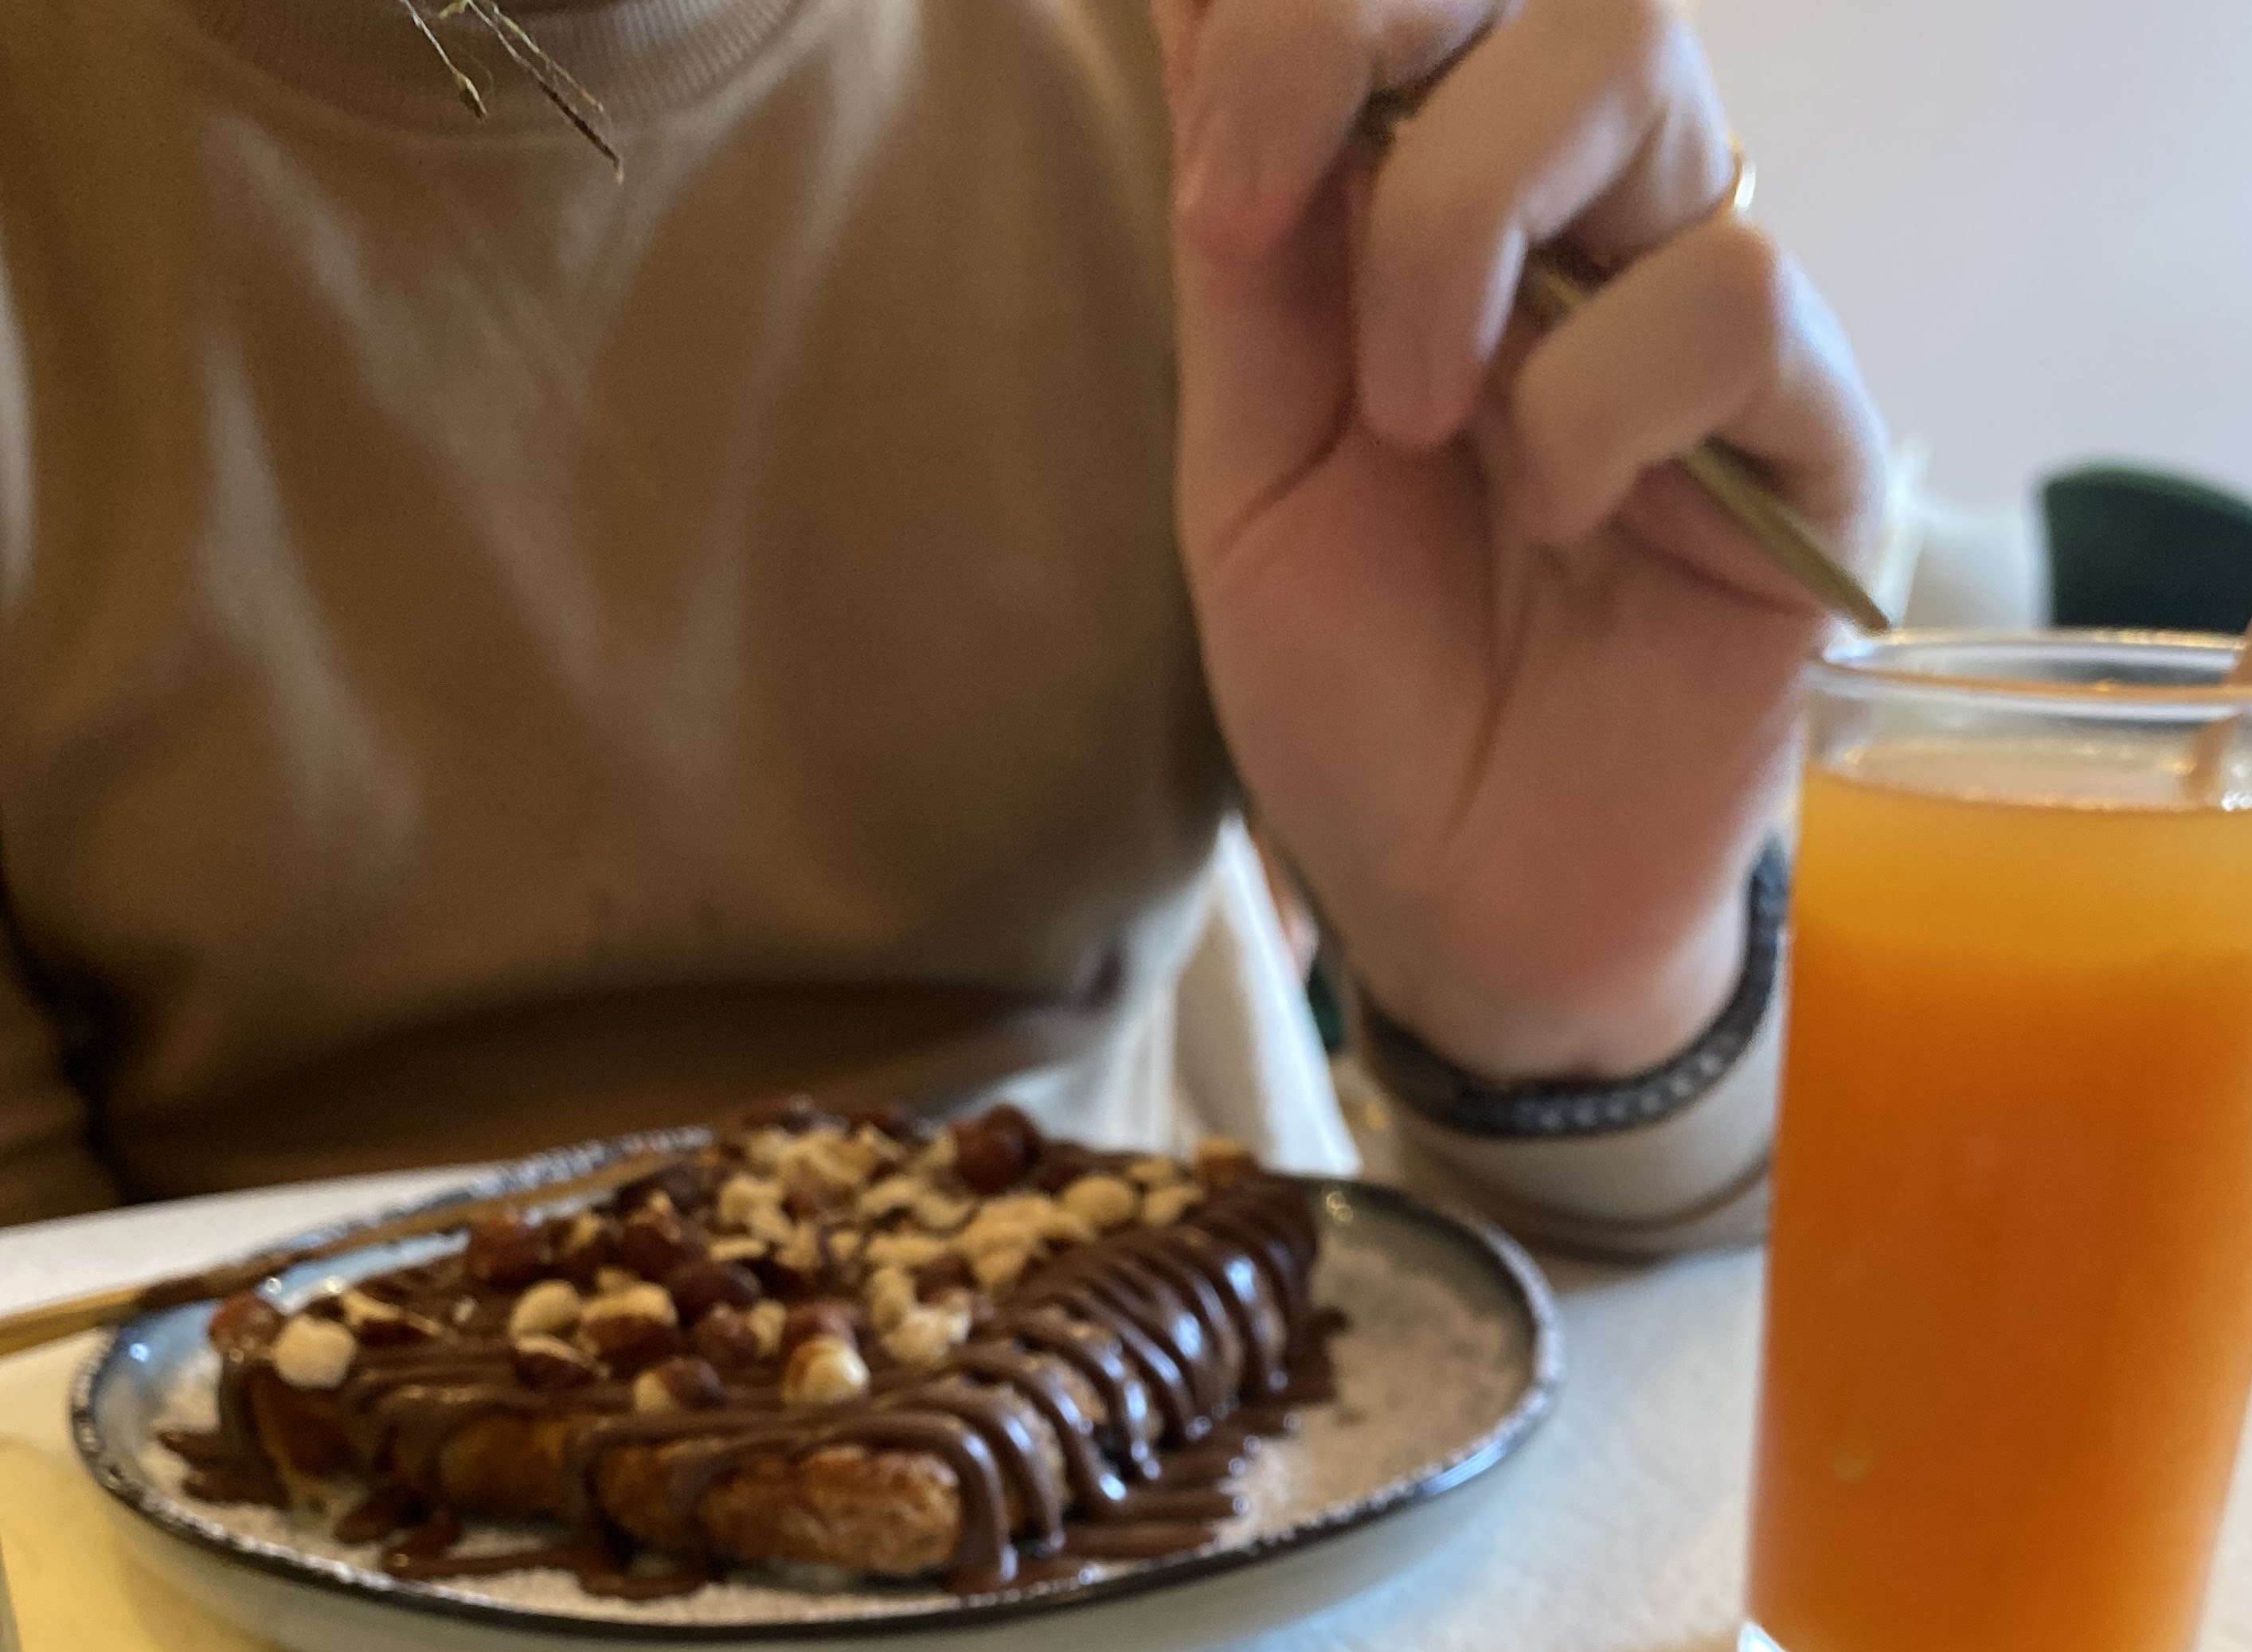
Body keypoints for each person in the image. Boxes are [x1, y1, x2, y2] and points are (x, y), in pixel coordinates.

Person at [0, 0, 1883, 1252]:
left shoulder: (1255, 63)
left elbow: (1671, 1316)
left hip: (1181, 1485)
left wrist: (1576, 1018)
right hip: (203, 1573)